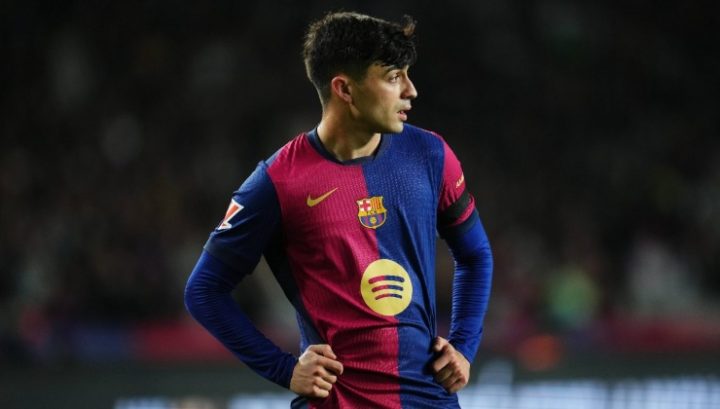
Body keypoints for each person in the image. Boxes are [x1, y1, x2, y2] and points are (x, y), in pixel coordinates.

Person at [185, 11, 493, 408]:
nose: (411, 90)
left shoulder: (430, 155)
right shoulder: (278, 181)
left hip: (428, 399)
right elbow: (204, 291)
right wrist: (283, 368)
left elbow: (475, 254)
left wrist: (464, 345)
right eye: (393, 77)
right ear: (344, 88)